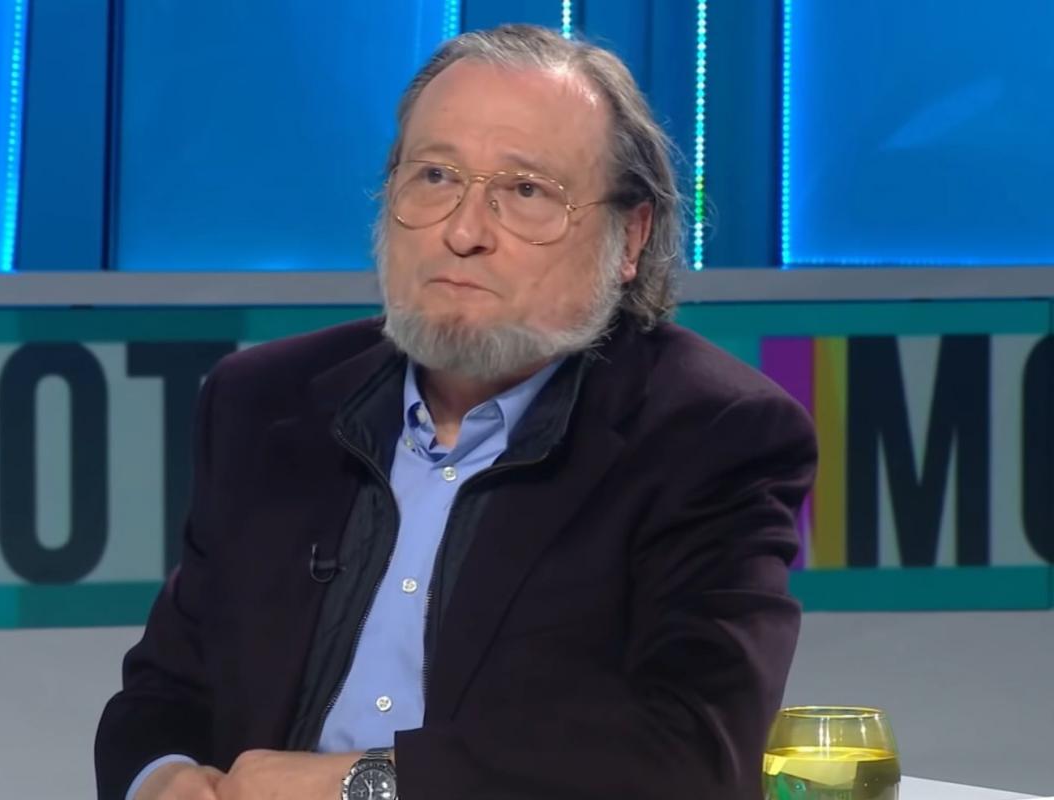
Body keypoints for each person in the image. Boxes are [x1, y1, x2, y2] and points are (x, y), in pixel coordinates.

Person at [95, 23, 817, 800]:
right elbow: (165, 692)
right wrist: (161, 780)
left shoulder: (711, 434)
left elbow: (694, 752)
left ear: (631, 235)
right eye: (436, 177)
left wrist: (363, 786)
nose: (464, 232)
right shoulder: (262, 401)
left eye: (527, 191)